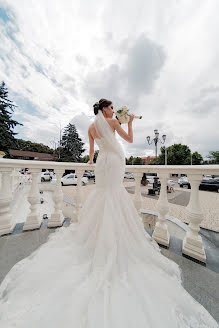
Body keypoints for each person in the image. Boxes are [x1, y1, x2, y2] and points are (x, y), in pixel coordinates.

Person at [0, 98, 218, 328]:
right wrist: (130, 122)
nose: (114, 111)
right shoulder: (113, 123)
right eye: (112, 107)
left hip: (102, 163)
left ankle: (95, 239)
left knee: (103, 195)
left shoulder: (91, 127)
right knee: (114, 195)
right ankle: (114, 238)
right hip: (113, 162)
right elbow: (130, 140)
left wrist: (92, 159)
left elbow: (92, 153)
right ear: (105, 109)